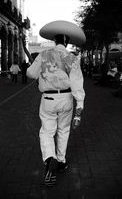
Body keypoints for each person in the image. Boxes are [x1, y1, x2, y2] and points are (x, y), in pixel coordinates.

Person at [27, 20, 86, 187]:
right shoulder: (71, 58)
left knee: (46, 131)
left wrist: (38, 70)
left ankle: (49, 158)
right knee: (63, 130)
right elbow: (77, 84)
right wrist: (79, 110)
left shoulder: (43, 54)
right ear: (67, 42)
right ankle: (61, 161)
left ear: (54, 41)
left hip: (48, 99)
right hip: (66, 99)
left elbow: (31, 73)